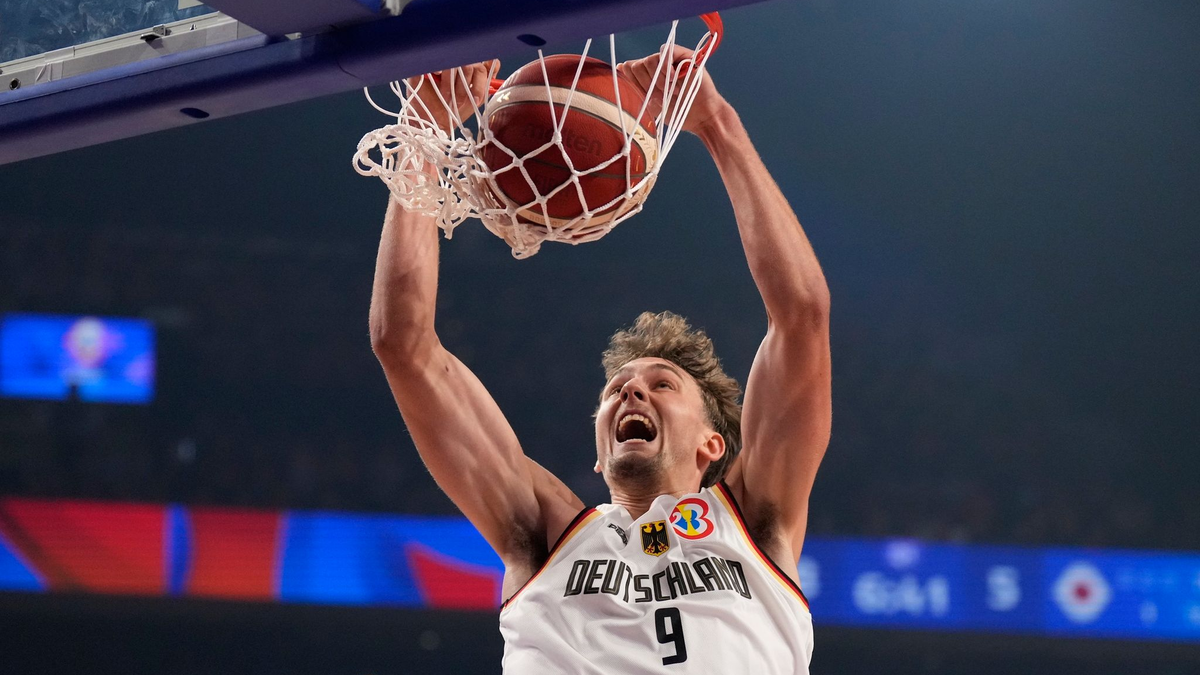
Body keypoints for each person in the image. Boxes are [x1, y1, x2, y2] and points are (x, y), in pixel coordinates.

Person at [369, 48, 831, 674]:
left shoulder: (757, 522)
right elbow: (404, 345)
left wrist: (717, 124)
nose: (629, 394)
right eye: (616, 389)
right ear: (597, 451)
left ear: (713, 444)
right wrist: (423, 127)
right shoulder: (543, 530)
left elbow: (802, 317)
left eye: (661, 385)